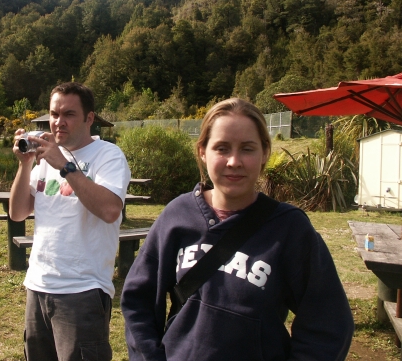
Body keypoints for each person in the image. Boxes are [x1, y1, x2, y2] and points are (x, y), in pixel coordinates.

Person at [120, 98, 354, 361]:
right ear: (203, 152)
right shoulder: (177, 216)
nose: (234, 161)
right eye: (222, 148)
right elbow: (138, 301)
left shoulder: (289, 228)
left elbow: (329, 324)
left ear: (264, 152)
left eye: (247, 149)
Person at [10, 82, 131, 361]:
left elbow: (110, 210)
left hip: (83, 290)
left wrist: (64, 166)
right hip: (38, 285)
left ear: (89, 118)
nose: (58, 122)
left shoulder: (108, 155)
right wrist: (25, 164)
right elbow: (17, 213)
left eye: (69, 114)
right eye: (54, 114)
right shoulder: (44, 158)